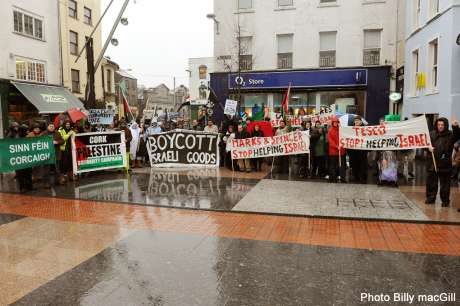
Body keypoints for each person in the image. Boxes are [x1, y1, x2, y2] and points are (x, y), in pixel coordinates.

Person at [425, 118, 460, 207]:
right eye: (439, 125)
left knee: (445, 184)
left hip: (444, 163)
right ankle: (430, 198)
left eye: (442, 125)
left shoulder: (450, 134)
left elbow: (457, 136)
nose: (440, 126)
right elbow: (425, 143)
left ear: (445, 125)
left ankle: (445, 200)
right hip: (432, 162)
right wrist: (428, 148)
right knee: (431, 183)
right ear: (436, 125)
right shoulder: (432, 134)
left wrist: (455, 127)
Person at [42, 122, 65, 186]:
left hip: (56, 153)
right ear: (47, 127)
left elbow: (63, 141)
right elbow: (39, 142)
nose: (52, 127)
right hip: (47, 154)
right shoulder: (43, 134)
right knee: (46, 169)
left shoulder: (57, 133)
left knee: (57, 168)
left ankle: (58, 180)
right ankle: (47, 183)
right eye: (50, 126)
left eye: (53, 126)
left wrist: (57, 142)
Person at [348, 116, 368, 183]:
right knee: (354, 165)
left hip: (362, 152)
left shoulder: (365, 129)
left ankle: (362, 177)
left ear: (361, 122)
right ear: (354, 122)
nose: (357, 121)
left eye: (358, 120)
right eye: (355, 120)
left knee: (362, 165)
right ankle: (355, 177)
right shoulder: (350, 129)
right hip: (353, 152)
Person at [15, 124, 33, 192]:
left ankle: (29, 186)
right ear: (23, 130)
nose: (28, 131)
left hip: (27, 158)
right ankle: (22, 187)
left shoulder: (26, 137)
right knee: (21, 174)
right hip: (20, 159)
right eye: (26, 130)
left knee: (28, 173)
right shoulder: (17, 138)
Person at [328, 117, 346, 182]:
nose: (336, 123)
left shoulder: (341, 130)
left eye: (337, 122)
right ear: (332, 123)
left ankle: (342, 177)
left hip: (341, 150)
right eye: (334, 122)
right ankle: (333, 178)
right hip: (333, 151)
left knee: (342, 165)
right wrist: (336, 146)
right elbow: (330, 140)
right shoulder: (330, 130)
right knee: (333, 165)